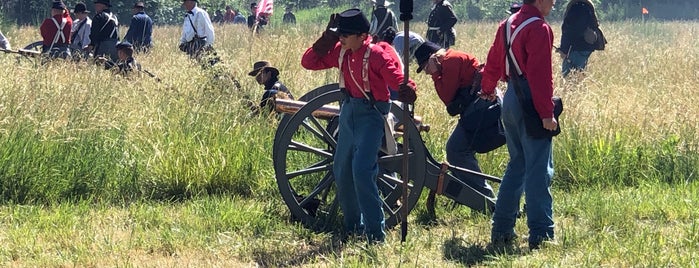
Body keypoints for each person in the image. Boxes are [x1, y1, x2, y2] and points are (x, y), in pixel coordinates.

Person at [301, 9, 417, 243]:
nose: (342, 38)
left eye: (347, 34)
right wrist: (327, 39)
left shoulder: (377, 55)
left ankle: (375, 234)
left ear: (362, 35)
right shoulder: (340, 52)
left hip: (371, 116)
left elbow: (396, 78)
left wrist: (408, 89)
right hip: (348, 113)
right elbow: (308, 62)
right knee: (342, 171)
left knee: (362, 171)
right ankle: (353, 226)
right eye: (340, 34)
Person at [479, 0, 557, 250]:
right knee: (537, 170)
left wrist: (488, 89)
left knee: (517, 166)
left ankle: (501, 230)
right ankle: (541, 234)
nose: (554, 3)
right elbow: (540, 75)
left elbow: (492, 61)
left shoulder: (507, 25)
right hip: (530, 101)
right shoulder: (539, 28)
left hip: (510, 98)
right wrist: (547, 113)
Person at [414, 41, 499, 198]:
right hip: (479, 104)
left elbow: (447, 97)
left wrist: (434, 74)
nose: (426, 72)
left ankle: (484, 198)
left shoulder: (450, 61)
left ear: (434, 58)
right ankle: (473, 195)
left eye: (426, 66)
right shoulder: (450, 61)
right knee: (457, 150)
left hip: (481, 105)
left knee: (456, 150)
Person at [559, 0, 603, 77]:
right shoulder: (588, 6)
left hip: (574, 49)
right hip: (586, 49)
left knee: (567, 78)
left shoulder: (575, 8)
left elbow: (568, 31)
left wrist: (563, 50)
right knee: (580, 76)